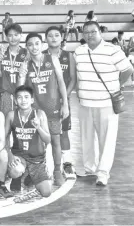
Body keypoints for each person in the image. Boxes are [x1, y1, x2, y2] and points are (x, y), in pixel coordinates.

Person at [73, 21, 133, 185]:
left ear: (100, 32)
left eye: (93, 31)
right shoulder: (79, 51)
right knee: (87, 138)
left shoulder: (113, 50)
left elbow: (128, 70)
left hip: (106, 103)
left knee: (106, 139)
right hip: (85, 103)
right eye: (86, 32)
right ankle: (90, 168)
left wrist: (117, 85)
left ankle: (103, 173)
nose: (89, 35)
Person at [18, 33, 69, 186]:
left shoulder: (52, 59)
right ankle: (34, 170)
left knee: (55, 140)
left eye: (37, 43)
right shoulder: (25, 64)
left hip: (53, 107)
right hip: (36, 110)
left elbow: (61, 82)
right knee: (35, 142)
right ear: (26, 47)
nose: (34, 47)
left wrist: (65, 104)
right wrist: (21, 75)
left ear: (42, 45)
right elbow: (20, 89)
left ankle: (57, 171)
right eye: (30, 44)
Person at [43, 26, 77, 178]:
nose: (54, 38)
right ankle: (40, 165)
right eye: (50, 35)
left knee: (63, 132)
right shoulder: (41, 55)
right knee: (41, 134)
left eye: (57, 35)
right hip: (44, 102)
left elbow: (72, 80)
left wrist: (64, 98)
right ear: (45, 39)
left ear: (61, 37)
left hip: (62, 102)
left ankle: (67, 163)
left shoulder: (68, 56)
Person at [5, 85, 52, 196]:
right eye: (20, 98)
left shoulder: (39, 114)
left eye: (26, 97)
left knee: (46, 192)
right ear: (16, 101)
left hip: (37, 159)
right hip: (19, 157)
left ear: (32, 100)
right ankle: (18, 177)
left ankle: (28, 176)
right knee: (15, 170)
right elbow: (4, 139)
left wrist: (38, 127)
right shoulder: (11, 115)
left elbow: (48, 139)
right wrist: (10, 155)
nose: (23, 100)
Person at [0, 23, 28, 117]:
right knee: (6, 122)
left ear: (21, 36)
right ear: (6, 37)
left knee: (20, 122)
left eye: (16, 35)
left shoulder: (26, 53)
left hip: (22, 93)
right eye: (10, 35)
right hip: (6, 93)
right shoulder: (2, 52)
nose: (13, 38)